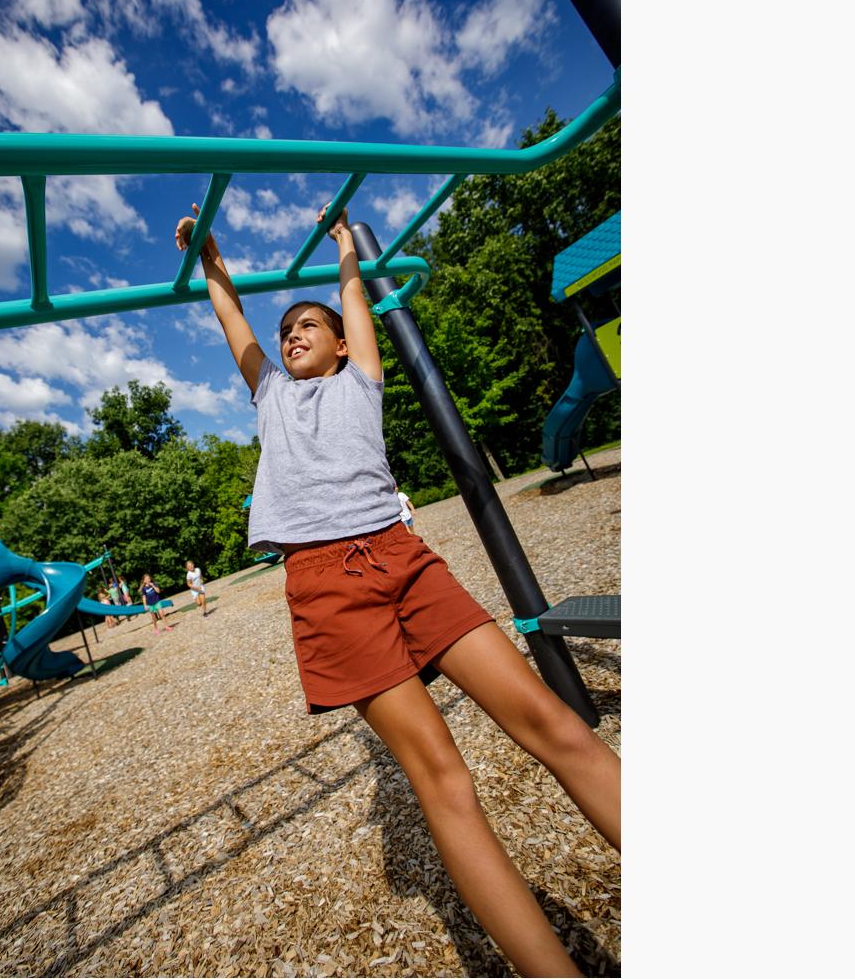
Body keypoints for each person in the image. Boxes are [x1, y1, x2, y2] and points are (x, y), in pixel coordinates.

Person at [177, 201, 621, 978]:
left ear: (345, 345)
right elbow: (235, 323)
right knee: (443, 778)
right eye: (287, 333)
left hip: (403, 559)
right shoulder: (271, 396)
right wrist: (212, 258)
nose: (292, 335)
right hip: (324, 585)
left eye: (308, 326)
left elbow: (353, 296)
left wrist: (347, 246)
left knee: (551, 721)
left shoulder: (363, 379)